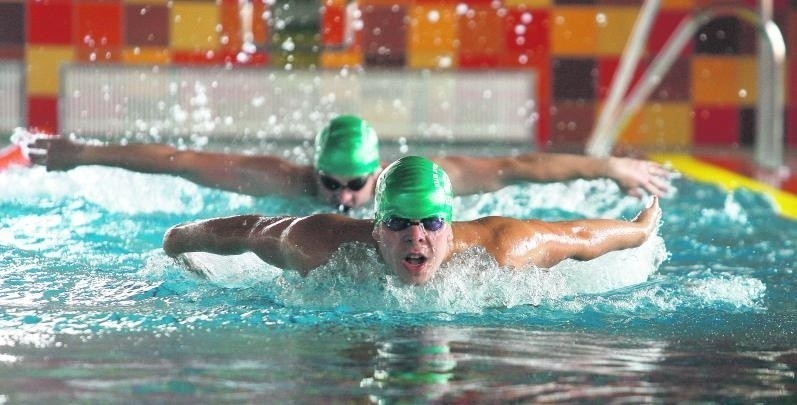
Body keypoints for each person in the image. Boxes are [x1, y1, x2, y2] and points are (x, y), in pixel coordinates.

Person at [163, 156, 662, 285]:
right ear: (376, 228)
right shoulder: (317, 243)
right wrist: (177, 241)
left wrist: (640, 230)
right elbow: (248, 231)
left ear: (450, 224)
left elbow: (578, 236)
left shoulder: (504, 246)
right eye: (399, 223)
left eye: (430, 223)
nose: (416, 236)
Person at [23, 115, 671, 213]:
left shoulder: (411, 177)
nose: (341, 198)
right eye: (328, 183)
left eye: (354, 184)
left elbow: (516, 166)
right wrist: (84, 153)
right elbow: (177, 160)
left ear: (377, 172)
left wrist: (606, 167)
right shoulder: (282, 181)